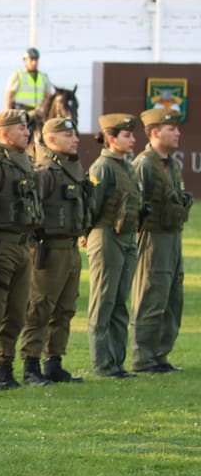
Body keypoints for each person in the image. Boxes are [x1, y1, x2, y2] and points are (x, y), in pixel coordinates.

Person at [0, 109, 43, 390]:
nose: (27, 133)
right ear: (3, 133)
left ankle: (5, 367)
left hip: (23, 246)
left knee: (17, 312)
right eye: (21, 128)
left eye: (27, 128)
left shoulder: (23, 162)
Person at [19, 117, 91, 384]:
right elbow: (30, 212)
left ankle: (54, 362)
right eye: (68, 135)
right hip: (47, 250)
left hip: (70, 249)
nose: (75, 139)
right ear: (50, 139)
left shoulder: (72, 170)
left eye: (75, 134)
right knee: (40, 308)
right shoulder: (44, 172)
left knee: (65, 308)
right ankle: (30, 365)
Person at [130, 109, 190, 373]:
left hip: (173, 235)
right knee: (151, 295)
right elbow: (135, 205)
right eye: (171, 129)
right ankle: (143, 358)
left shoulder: (172, 164)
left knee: (172, 297)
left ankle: (159, 354)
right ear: (155, 132)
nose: (177, 133)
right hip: (153, 238)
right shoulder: (143, 165)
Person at [86, 113, 141, 378]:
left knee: (120, 301)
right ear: (110, 138)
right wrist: (87, 233)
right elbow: (91, 206)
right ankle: (102, 364)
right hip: (106, 236)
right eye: (126, 135)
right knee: (103, 301)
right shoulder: (102, 167)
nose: (133, 140)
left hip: (127, 238)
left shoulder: (127, 167)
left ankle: (117, 362)